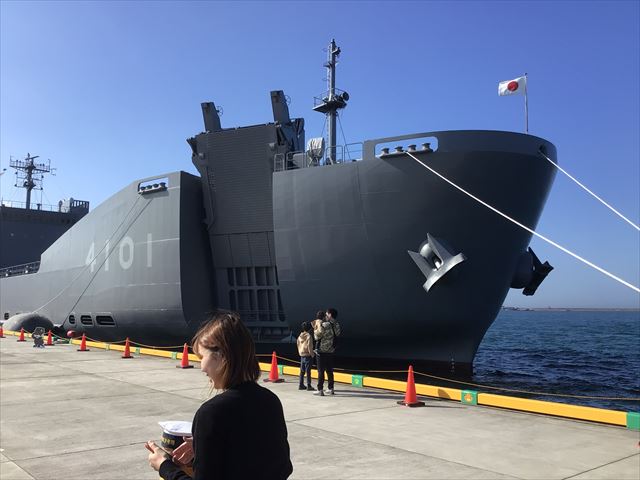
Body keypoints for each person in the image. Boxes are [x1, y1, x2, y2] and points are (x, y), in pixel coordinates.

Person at [146, 311, 293, 480]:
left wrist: (164, 466)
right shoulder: (270, 401)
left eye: (202, 357)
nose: (201, 367)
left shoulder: (211, 413)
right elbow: (279, 465)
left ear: (221, 356)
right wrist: (203, 445)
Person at [313, 308, 341, 396]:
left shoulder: (325, 325)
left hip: (321, 350)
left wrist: (315, 328)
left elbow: (317, 336)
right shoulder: (337, 325)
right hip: (331, 350)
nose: (325, 316)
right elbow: (338, 334)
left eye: (326, 314)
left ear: (330, 315)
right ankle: (331, 388)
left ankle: (320, 389)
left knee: (320, 371)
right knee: (329, 370)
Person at [296, 322, 315, 391]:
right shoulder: (309, 336)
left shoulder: (299, 336)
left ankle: (301, 385)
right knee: (308, 372)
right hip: (308, 355)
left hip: (302, 355)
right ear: (309, 329)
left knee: (302, 371)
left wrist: (300, 353)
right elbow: (310, 347)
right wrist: (312, 355)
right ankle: (309, 385)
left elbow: (298, 345)